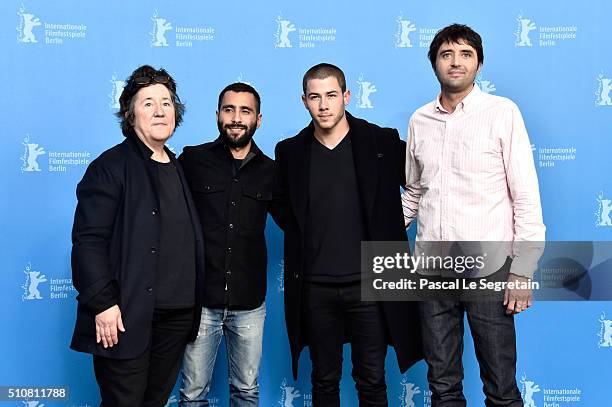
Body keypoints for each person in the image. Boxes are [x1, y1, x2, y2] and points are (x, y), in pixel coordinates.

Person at [402, 24, 546, 406]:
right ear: (434, 62)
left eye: (466, 54)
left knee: (501, 386)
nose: (456, 62)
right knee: (443, 386)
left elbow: (526, 196)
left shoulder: (501, 113)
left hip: (490, 266)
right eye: (447, 54)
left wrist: (522, 270)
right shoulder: (419, 120)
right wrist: (366, 225)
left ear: (479, 63)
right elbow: (415, 193)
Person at [274, 63, 422, 407]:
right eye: (315, 97)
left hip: (370, 283)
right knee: (324, 380)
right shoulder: (290, 152)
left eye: (330, 95)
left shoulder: (380, 141)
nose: (323, 105)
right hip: (315, 287)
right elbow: (282, 206)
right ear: (304, 101)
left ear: (346, 97)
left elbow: (422, 179)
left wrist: (394, 220)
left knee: (371, 378)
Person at [70, 65, 205, 407]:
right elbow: (88, 241)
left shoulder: (179, 166)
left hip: (176, 317)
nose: (160, 110)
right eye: (148, 103)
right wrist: (102, 303)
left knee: (154, 402)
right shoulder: (110, 167)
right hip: (126, 316)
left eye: (166, 102)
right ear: (130, 116)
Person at [178, 83, 277, 406]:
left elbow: (301, 221)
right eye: (229, 109)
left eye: (245, 111)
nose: (236, 118)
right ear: (217, 115)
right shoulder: (192, 160)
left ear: (258, 119)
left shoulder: (271, 171)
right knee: (193, 395)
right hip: (201, 301)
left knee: (246, 391)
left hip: (249, 302)